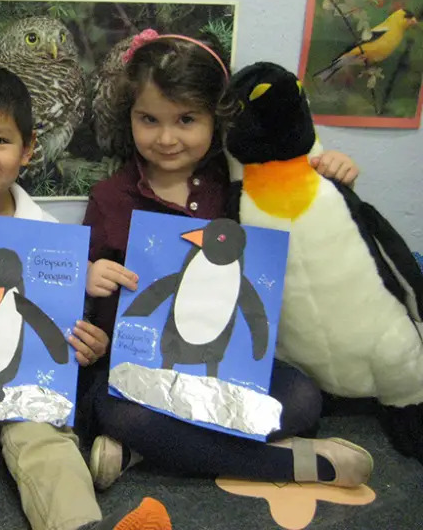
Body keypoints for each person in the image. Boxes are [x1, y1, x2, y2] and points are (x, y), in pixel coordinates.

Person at [80, 29, 372, 491]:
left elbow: (308, 216)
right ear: (129, 118)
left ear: (216, 119)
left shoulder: (239, 183)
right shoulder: (110, 198)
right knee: (113, 411)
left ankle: (147, 450)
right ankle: (292, 464)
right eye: (149, 120)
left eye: (186, 119)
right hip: (141, 369)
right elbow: (78, 286)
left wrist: (332, 175)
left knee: (301, 396)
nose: (167, 138)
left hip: (226, 365)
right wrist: (89, 275)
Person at [0, 62, 172, 530]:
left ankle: (79, 524)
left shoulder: (51, 236)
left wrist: (87, 344)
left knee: (49, 442)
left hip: (28, 380)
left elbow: (58, 326)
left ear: (28, 149)